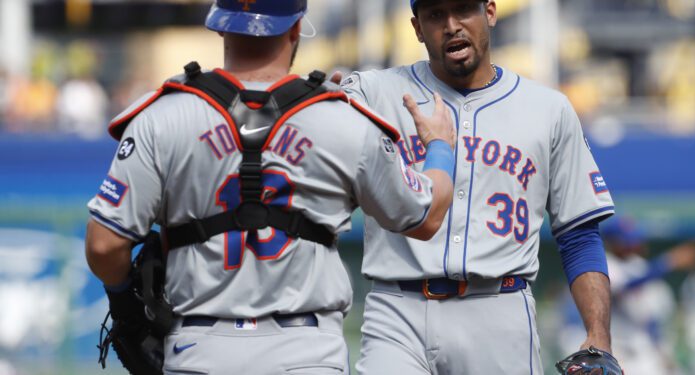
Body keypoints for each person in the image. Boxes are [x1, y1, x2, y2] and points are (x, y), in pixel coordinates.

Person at [84, 0, 457, 374]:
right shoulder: (343, 120)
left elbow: (104, 245)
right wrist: (439, 147)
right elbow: (425, 217)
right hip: (306, 353)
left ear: (220, 27)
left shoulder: (162, 117)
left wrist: (124, 303)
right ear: (296, 29)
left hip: (200, 349)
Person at [341, 0, 616, 373]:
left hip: (499, 309)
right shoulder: (376, 93)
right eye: (435, 15)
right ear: (417, 28)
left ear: (489, 11)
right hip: (397, 308)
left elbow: (579, 233)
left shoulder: (548, 109)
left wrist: (598, 334)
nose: (452, 25)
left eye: (463, 9)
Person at [601, 216, 695, 374]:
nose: (633, 244)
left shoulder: (638, 264)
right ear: (613, 242)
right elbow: (627, 285)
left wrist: (661, 351)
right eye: (627, 240)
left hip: (644, 348)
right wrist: (669, 262)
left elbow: (648, 317)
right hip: (619, 351)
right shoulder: (605, 264)